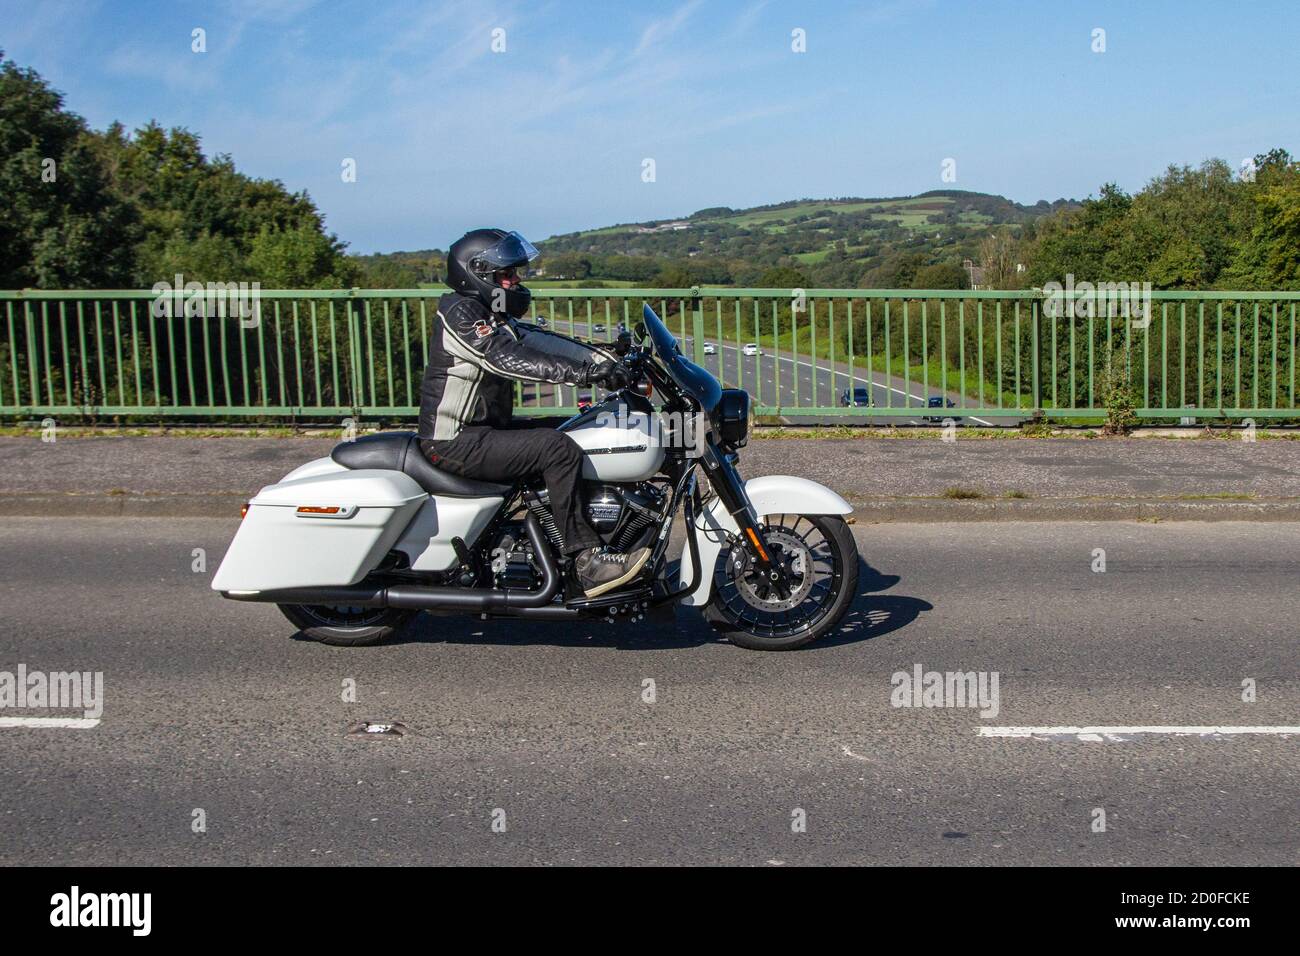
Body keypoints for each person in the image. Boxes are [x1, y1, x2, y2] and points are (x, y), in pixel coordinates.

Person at [418, 228, 651, 598]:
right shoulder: (461, 312)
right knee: (556, 448)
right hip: (456, 441)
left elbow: (538, 341)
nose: (516, 281)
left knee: (579, 428)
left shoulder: (491, 312)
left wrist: (610, 358)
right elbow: (504, 358)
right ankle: (586, 561)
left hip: (486, 431)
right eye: (507, 274)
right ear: (479, 273)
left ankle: (572, 530)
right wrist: (585, 374)